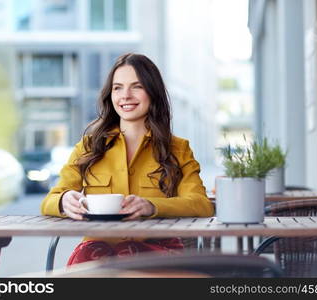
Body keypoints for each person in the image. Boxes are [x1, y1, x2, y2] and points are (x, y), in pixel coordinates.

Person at [41, 53, 214, 266]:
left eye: (137, 86)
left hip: (158, 252)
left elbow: (201, 205)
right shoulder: (88, 147)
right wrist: (63, 200)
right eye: (118, 87)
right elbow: (49, 200)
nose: (125, 95)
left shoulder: (178, 149)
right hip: (97, 255)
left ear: (152, 92)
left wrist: (152, 207)